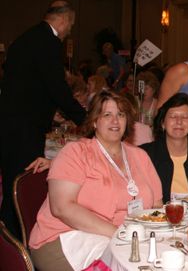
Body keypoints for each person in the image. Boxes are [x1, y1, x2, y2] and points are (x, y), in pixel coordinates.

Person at [28, 90, 162, 270]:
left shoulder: (139, 156)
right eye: (107, 115)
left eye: (120, 115)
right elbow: (62, 208)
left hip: (127, 237)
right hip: (67, 237)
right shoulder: (76, 152)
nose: (115, 121)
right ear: (94, 121)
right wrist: (119, 234)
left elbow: (157, 206)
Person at [0, 1, 87, 238]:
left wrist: (49, 109)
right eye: (71, 24)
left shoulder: (25, 38)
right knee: (21, 184)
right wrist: (85, 119)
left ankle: (9, 236)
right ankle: (17, 240)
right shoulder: (48, 41)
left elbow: (26, 82)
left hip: (10, 122)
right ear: (63, 20)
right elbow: (56, 87)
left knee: (11, 182)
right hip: (24, 128)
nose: (70, 30)